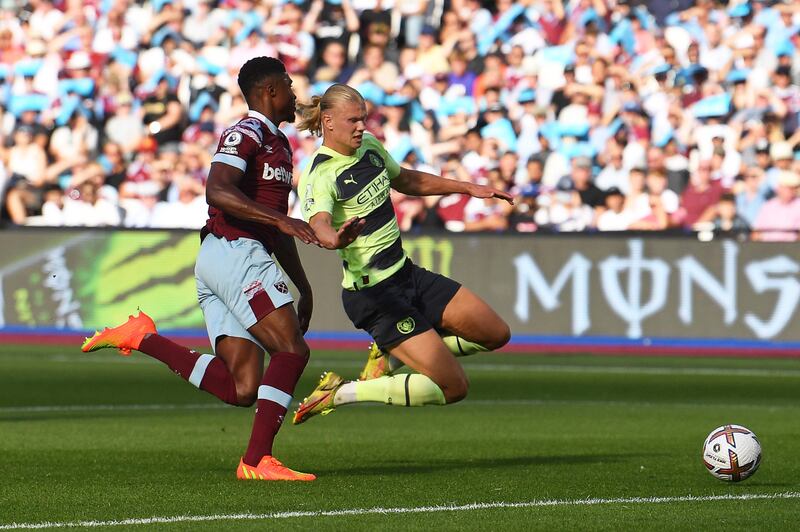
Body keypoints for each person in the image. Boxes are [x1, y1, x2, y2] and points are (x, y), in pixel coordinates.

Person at [80, 57, 354, 482]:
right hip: (235, 251)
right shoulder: (244, 132)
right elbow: (218, 190)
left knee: (243, 387)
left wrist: (304, 286)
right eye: (288, 85)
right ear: (269, 92)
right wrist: (281, 220)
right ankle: (257, 460)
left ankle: (143, 338)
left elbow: (276, 227)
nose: (295, 94)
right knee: (292, 350)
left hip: (229, 257)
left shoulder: (278, 145)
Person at [291, 84, 512, 426]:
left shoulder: (369, 146)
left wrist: (467, 188)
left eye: (363, 118)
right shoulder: (319, 173)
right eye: (353, 120)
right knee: (454, 387)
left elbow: (406, 180)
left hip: (407, 275)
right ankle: (341, 393)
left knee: (495, 333)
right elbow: (319, 222)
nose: (362, 126)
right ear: (329, 121)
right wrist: (334, 240)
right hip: (374, 294)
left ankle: (390, 355)